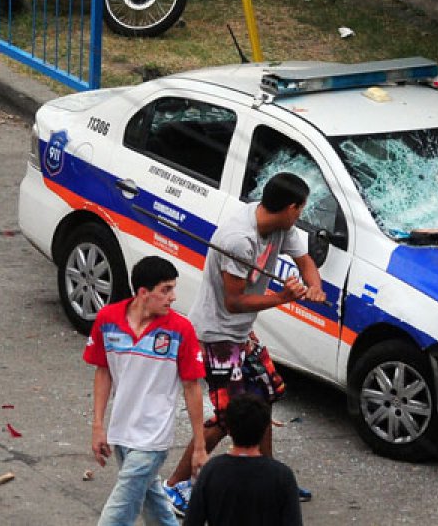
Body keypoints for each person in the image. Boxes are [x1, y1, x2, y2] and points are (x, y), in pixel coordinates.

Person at [164, 172, 326, 515]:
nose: (301, 215)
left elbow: (305, 262)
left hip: (241, 333)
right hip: (217, 335)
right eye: (300, 209)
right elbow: (234, 302)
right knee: (230, 418)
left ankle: (269, 480)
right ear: (290, 207)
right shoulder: (239, 240)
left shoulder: (280, 224)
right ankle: (175, 485)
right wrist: (282, 297)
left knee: (262, 398)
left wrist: (314, 286)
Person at [85, 255, 207, 526]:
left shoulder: (181, 330)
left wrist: (199, 446)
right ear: (143, 293)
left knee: (118, 513)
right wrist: (98, 425)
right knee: (154, 505)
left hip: (154, 437)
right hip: (121, 432)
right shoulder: (107, 319)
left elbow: (192, 388)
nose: (173, 297)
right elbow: (103, 372)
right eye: (166, 290)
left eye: (173, 288)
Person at [183, 394, 303, 526]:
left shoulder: (211, 471)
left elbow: (192, 521)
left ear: (228, 430)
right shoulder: (282, 476)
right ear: (264, 430)